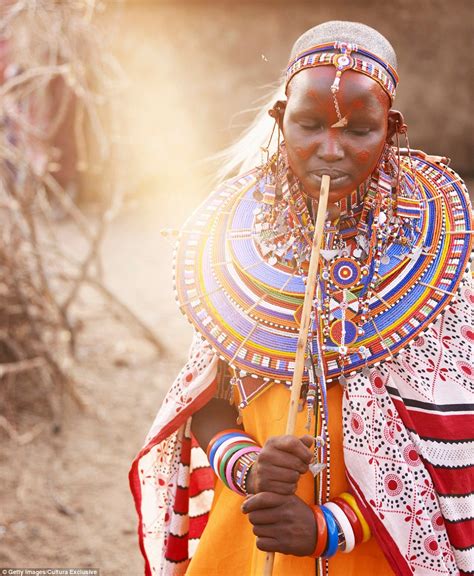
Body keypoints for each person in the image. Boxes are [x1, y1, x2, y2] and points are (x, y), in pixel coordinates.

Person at [130, 21, 473, 576]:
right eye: (309, 125)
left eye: (358, 130)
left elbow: (454, 441)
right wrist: (250, 472)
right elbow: (209, 404)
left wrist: (326, 527)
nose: (330, 150)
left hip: (376, 548)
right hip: (253, 531)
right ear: (279, 120)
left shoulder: (437, 258)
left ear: (391, 130)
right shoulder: (238, 244)